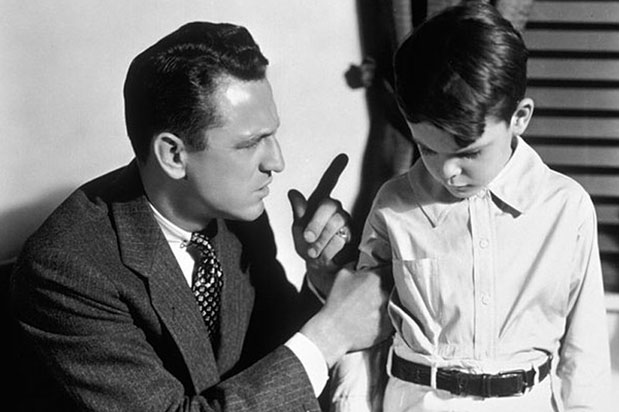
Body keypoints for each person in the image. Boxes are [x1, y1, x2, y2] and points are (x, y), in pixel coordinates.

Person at [9, 22, 390, 411]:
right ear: (174, 155)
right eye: (250, 144)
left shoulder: (236, 215)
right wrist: (331, 335)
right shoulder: (66, 270)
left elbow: (273, 357)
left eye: (272, 135)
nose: (276, 162)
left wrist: (322, 281)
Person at [330, 3, 611, 411]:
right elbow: (362, 336)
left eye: (469, 152)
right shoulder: (394, 204)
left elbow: (586, 360)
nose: (448, 171)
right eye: (428, 149)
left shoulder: (567, 208)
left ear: (519, 117)